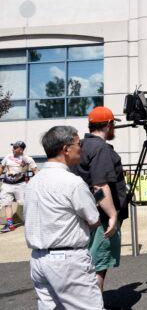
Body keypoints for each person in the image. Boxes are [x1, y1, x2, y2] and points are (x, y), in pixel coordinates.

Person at [25, 126, 103, 309]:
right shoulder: (73, 182)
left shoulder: (33, 182)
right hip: (67, 260)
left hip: (38, 259)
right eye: (78, 143)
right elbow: (94, 220)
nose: (81, 148)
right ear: (66, 149)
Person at [71, 106, 127, 293]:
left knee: (88, 265)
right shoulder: (100, 148)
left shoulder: (82, 146)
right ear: (109, 124)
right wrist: (112, 215)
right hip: (100, 218)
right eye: (113, 125)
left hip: (86, 215)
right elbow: (99, 186)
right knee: (98, 267)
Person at [0, 141, 37, 232]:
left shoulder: (28, 159)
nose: (12, 149)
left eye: (15, 147)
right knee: (6, 203)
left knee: (24, 204)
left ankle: (31, 222)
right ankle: (9, 225)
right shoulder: (7, 157)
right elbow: (1, 167)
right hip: (7, 184)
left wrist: (37, 182)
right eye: (13, 147)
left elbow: (35, 171)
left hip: (20, 185)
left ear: (21, 150)